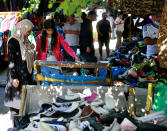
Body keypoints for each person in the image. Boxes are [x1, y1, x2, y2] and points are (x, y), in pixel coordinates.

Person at [4, 19, 35, 125]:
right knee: (16, 104)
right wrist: (14, 77)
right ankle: (16, 126)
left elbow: (29, 57)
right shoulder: (13, 41)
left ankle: (24, 125)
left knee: (25, 104)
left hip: (25, 76)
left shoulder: (25, 40)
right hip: (17, 77)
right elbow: (11, 61)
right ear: (23, 28)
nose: (29, 33)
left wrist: (31, 49)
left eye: (30, 31)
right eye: (28, 31)